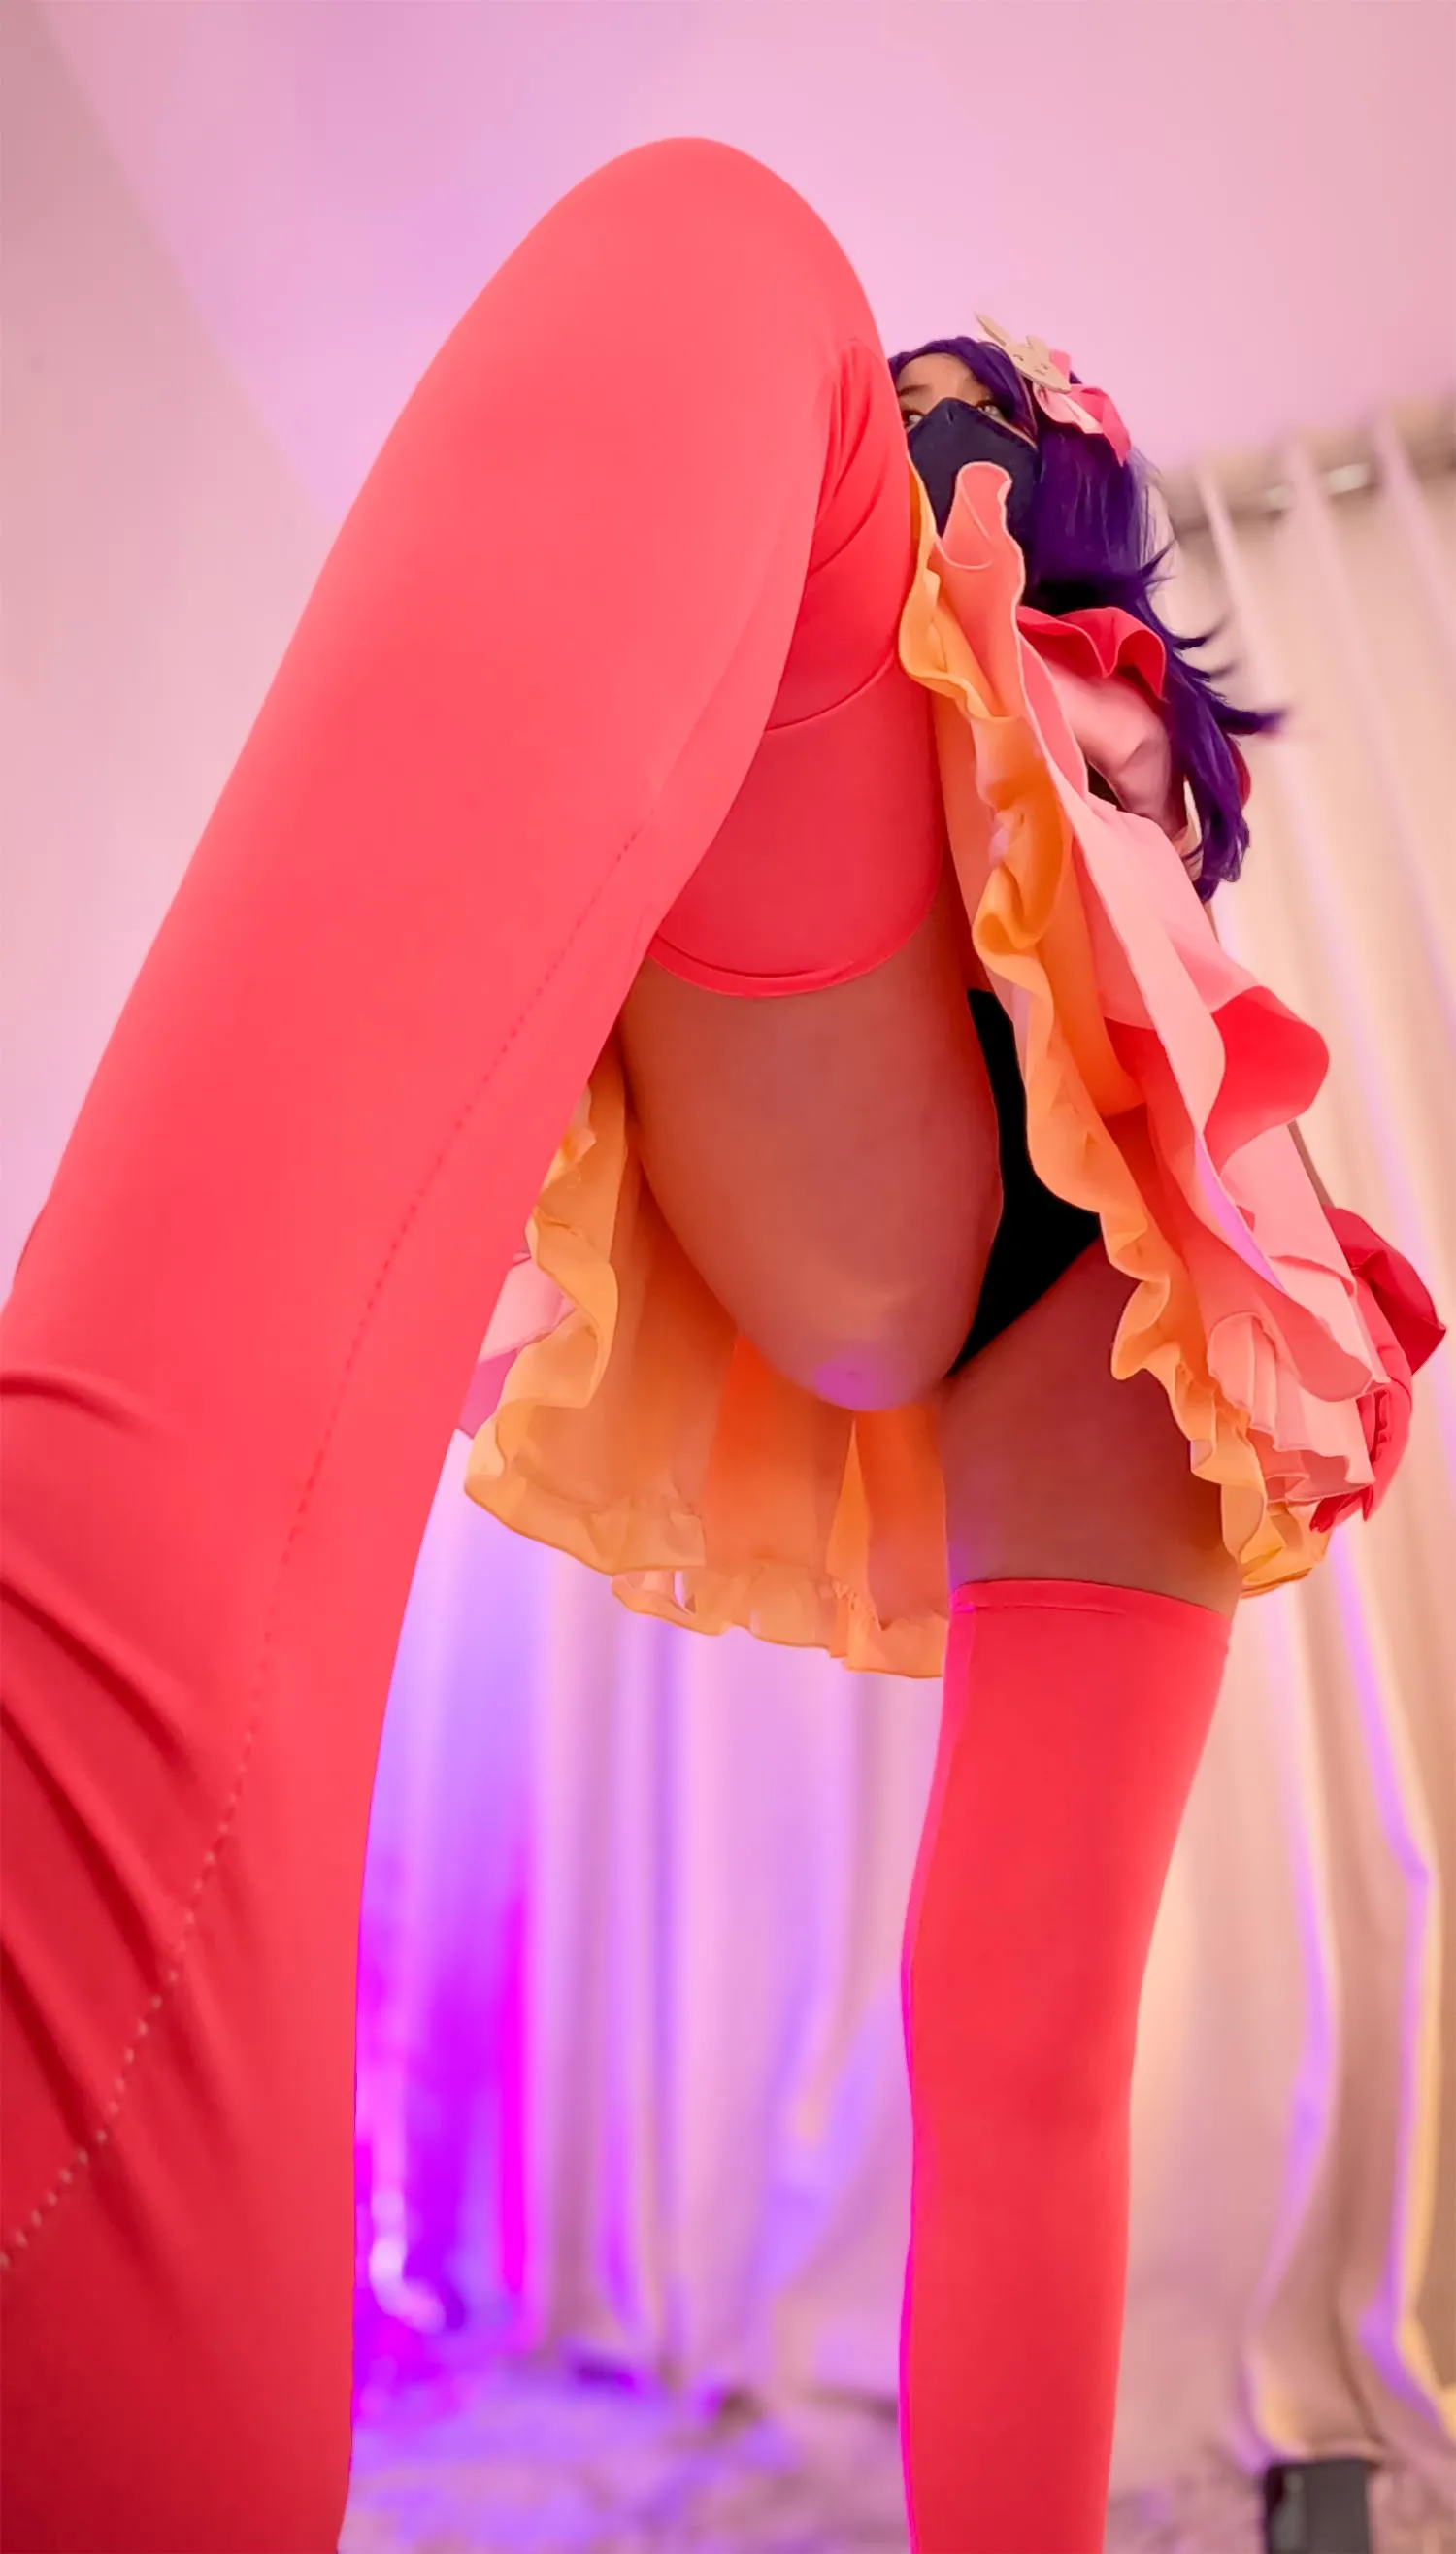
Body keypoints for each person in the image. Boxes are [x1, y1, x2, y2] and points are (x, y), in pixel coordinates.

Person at [0, 139, 1440, 2554]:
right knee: (715, 255)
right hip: (901, 1107)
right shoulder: (824, 552)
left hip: (1097, 1235)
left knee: (1022, 2042)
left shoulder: (1101, 713)